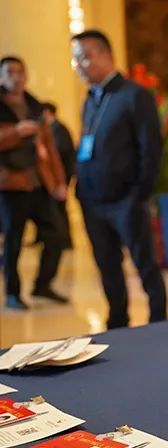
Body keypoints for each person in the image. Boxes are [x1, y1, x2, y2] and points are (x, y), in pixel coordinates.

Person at [70, 30, 167, 329]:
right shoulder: (90, 100)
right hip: (92, 200)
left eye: (84, 57)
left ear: (105, 55)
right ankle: (117, 323)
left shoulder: (134, 95)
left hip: (125, 200)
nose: (79, 65)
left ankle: (159, 323)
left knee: (145, 265)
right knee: (107, 266)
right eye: (75, 59)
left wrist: (138, 195)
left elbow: (151, 150)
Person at [0, 56, 69, 309]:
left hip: (38, 182)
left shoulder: (35, 106)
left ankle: (43, 284)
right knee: (13, 240)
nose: (16, 77)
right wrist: (15, 132)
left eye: (20, 71)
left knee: (56, 234)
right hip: (10, 184)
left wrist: (59, 181)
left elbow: (50, 148)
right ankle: (13, 293)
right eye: (10, 72)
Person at [41, 102, 76, 248]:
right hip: (55, 175)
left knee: (60, 209)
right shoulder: (50, 129)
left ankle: (65, 240)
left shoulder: (59, 129)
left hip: (62, 175)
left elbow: (60, 152)